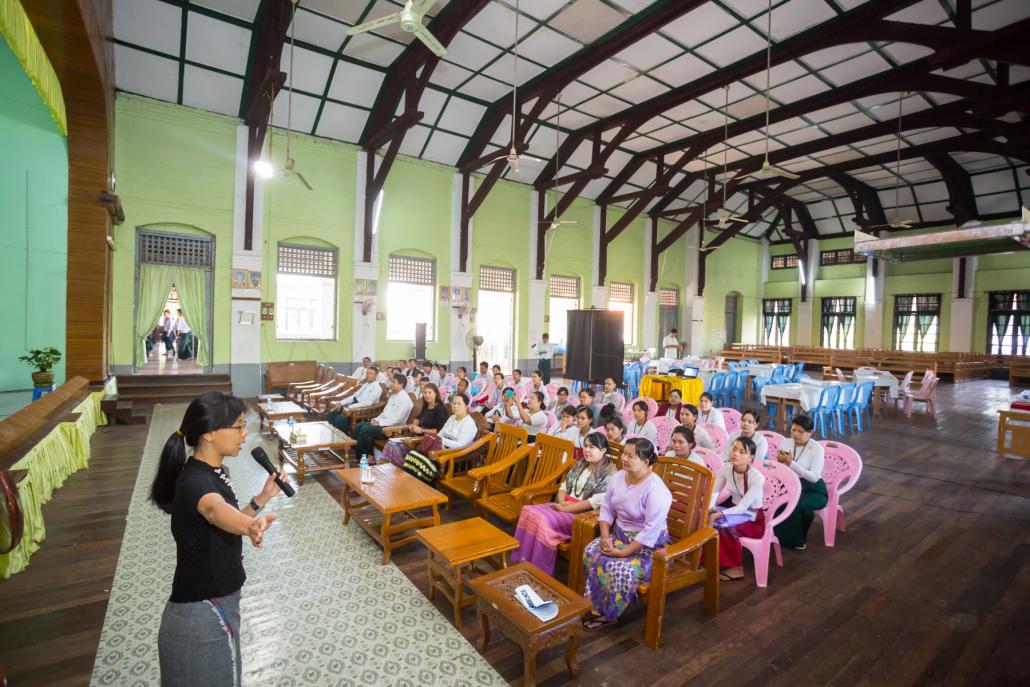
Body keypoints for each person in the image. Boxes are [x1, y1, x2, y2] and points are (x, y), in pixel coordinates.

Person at [151, 391, 287, 686]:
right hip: (201, 618)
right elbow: (213, 510)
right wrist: (248, 527)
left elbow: (223, 517)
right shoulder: (196, 481)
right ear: (210, 433)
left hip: (217, 605)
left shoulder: (211, 471)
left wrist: (261, 499)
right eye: (238, 426)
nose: (244, 432)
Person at [582, 438, 672, 630]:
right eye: (624, 453)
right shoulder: (619, 477)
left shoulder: (656, 489)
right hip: (620, 536)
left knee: (620, 567)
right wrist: (605, 536)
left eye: (630, 456)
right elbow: (607, 508)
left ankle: (610, 613)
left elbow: (650, 531)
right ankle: (596, 604)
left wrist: (623, 553)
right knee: (592, 550)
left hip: (650, 548)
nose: (623, 458)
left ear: (645, 463)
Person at [512, 432, 616, 576]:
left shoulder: (609, 472)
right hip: (563, 504)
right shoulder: (581, 463)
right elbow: (564, 486)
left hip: (581, 514)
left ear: (603, 450)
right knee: (527, 510)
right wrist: (561, 502)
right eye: (585, 446)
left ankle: (539, 571)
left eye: (592, 447)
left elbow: (595, 502)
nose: (586, 450)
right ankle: (523, 561)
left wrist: (566, 508)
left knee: (541, 520)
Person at [712, 436, 766, 581]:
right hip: (736, 511)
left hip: (753, 519)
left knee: (723, 526)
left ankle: (737, 568)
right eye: (734, 449)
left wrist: (719, 514)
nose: (735, 454)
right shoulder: (726, 467)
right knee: (704, 519)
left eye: (742, 452)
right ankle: (708, 561)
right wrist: (710, 507)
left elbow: (743, 507)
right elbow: (715, 490)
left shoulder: (757, 478)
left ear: (751, 457)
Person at [773, 414, 827, 550]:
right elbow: (780, 467)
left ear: (810, 433)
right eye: (793, 430)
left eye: (800, 432)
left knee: (798, 505)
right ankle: (776, 535)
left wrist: (791, 463)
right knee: (775, 499)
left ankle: (797, 540)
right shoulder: (786, 442)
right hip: (790, 483)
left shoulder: (817, 449)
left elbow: (814, 477)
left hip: (812, 488)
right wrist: (779, 462)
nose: (795, 434)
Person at [352, 374, 413, 458]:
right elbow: (385, 413)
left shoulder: (405, 399)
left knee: (365, 430)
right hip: (383, 423)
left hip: (391, 429)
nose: (391, 383)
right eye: (391, 381)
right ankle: (361, 456)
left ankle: (369, 456)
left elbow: (397, 420)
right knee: (359, 426)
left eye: (393, 382)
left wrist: (379, 423)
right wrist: (376, 419)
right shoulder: (393, 395)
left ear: (401, 385)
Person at [327, 367, 382, 433]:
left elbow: (368, 403)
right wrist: (341, 403)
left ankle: (344, 438)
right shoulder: (366, 384)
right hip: (353, 404)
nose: (368, 375)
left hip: (362, 409)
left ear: (376, 375)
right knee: (331, 414)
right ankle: (333, 434)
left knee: (339, 419)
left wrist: (350, 407)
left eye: (371, 373)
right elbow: (354, 396)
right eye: (367, 373)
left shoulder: (377, 387)